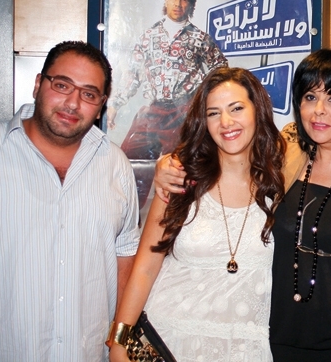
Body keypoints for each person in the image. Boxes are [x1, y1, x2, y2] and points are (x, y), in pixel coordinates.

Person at [154, 49, 331, 361]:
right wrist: (171, 164)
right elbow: (226, 150)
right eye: (310, 97)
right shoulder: (287, 150)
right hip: (276, 342)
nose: (319, 111)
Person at [108, 67, 285, 362]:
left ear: (258, 110)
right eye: (213, 113)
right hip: (169, 341)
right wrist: (119, 342)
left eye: (237, 108)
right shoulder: (180, 179)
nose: (226, 122)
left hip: (244, 349)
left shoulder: (282, 182)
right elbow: (146, 267)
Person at [0, 41, 140, 361]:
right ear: (38, 84)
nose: (72, 103)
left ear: (101, 105)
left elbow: (125, 254)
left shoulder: (115, 164)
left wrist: (119, 342)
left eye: (89, 94)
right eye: (62, 85)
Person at [107, 0, 228, 208]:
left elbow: (220, 70)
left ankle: (175, 221)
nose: (178, 4)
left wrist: (204, 102)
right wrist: (114, 105)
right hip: (153, 111)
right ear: (166, 0)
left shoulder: (200, 38)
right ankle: (129, 218)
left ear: (190, 5)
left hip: (184, 113)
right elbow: (133, 75)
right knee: (129, 160)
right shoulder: (149, 36)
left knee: (180, 170)